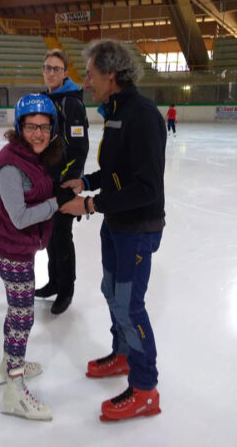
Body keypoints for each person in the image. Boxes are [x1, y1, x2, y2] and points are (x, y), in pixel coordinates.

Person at [60, 39, 166, 422]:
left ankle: (145, 388)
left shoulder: (143, 115)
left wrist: (90, 204)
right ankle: (123, 353)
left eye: (89, 75)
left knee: (129, 304)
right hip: (116, 224)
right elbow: (118, 172)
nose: (86, 82)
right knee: (111, 291)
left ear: (111, 74)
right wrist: (86, 181)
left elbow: (146, 187)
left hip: (137, 227)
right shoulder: (117, 111)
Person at [0, 94, 74, 421]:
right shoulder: (11, 164)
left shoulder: (37, 156)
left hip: (20, 250)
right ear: (19, 127)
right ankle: (14, 390)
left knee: (17, 312)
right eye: (31, 127)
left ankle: (8, 361)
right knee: (23, 318)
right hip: (12, 252)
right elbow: (20, 217)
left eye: (44, 127)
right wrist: (56, 202)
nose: (38, 133)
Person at [35, 49, 89, 315]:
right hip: (46, 182)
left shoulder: (71, 103)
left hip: (63, 183)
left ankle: (66, 289)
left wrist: (69, 180)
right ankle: (54, 281)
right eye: (48, 68)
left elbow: (79, 147)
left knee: (62, 236)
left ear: (65, 72)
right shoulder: (45, 99)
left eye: (57, 68)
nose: (51, 72)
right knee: (50, 236)